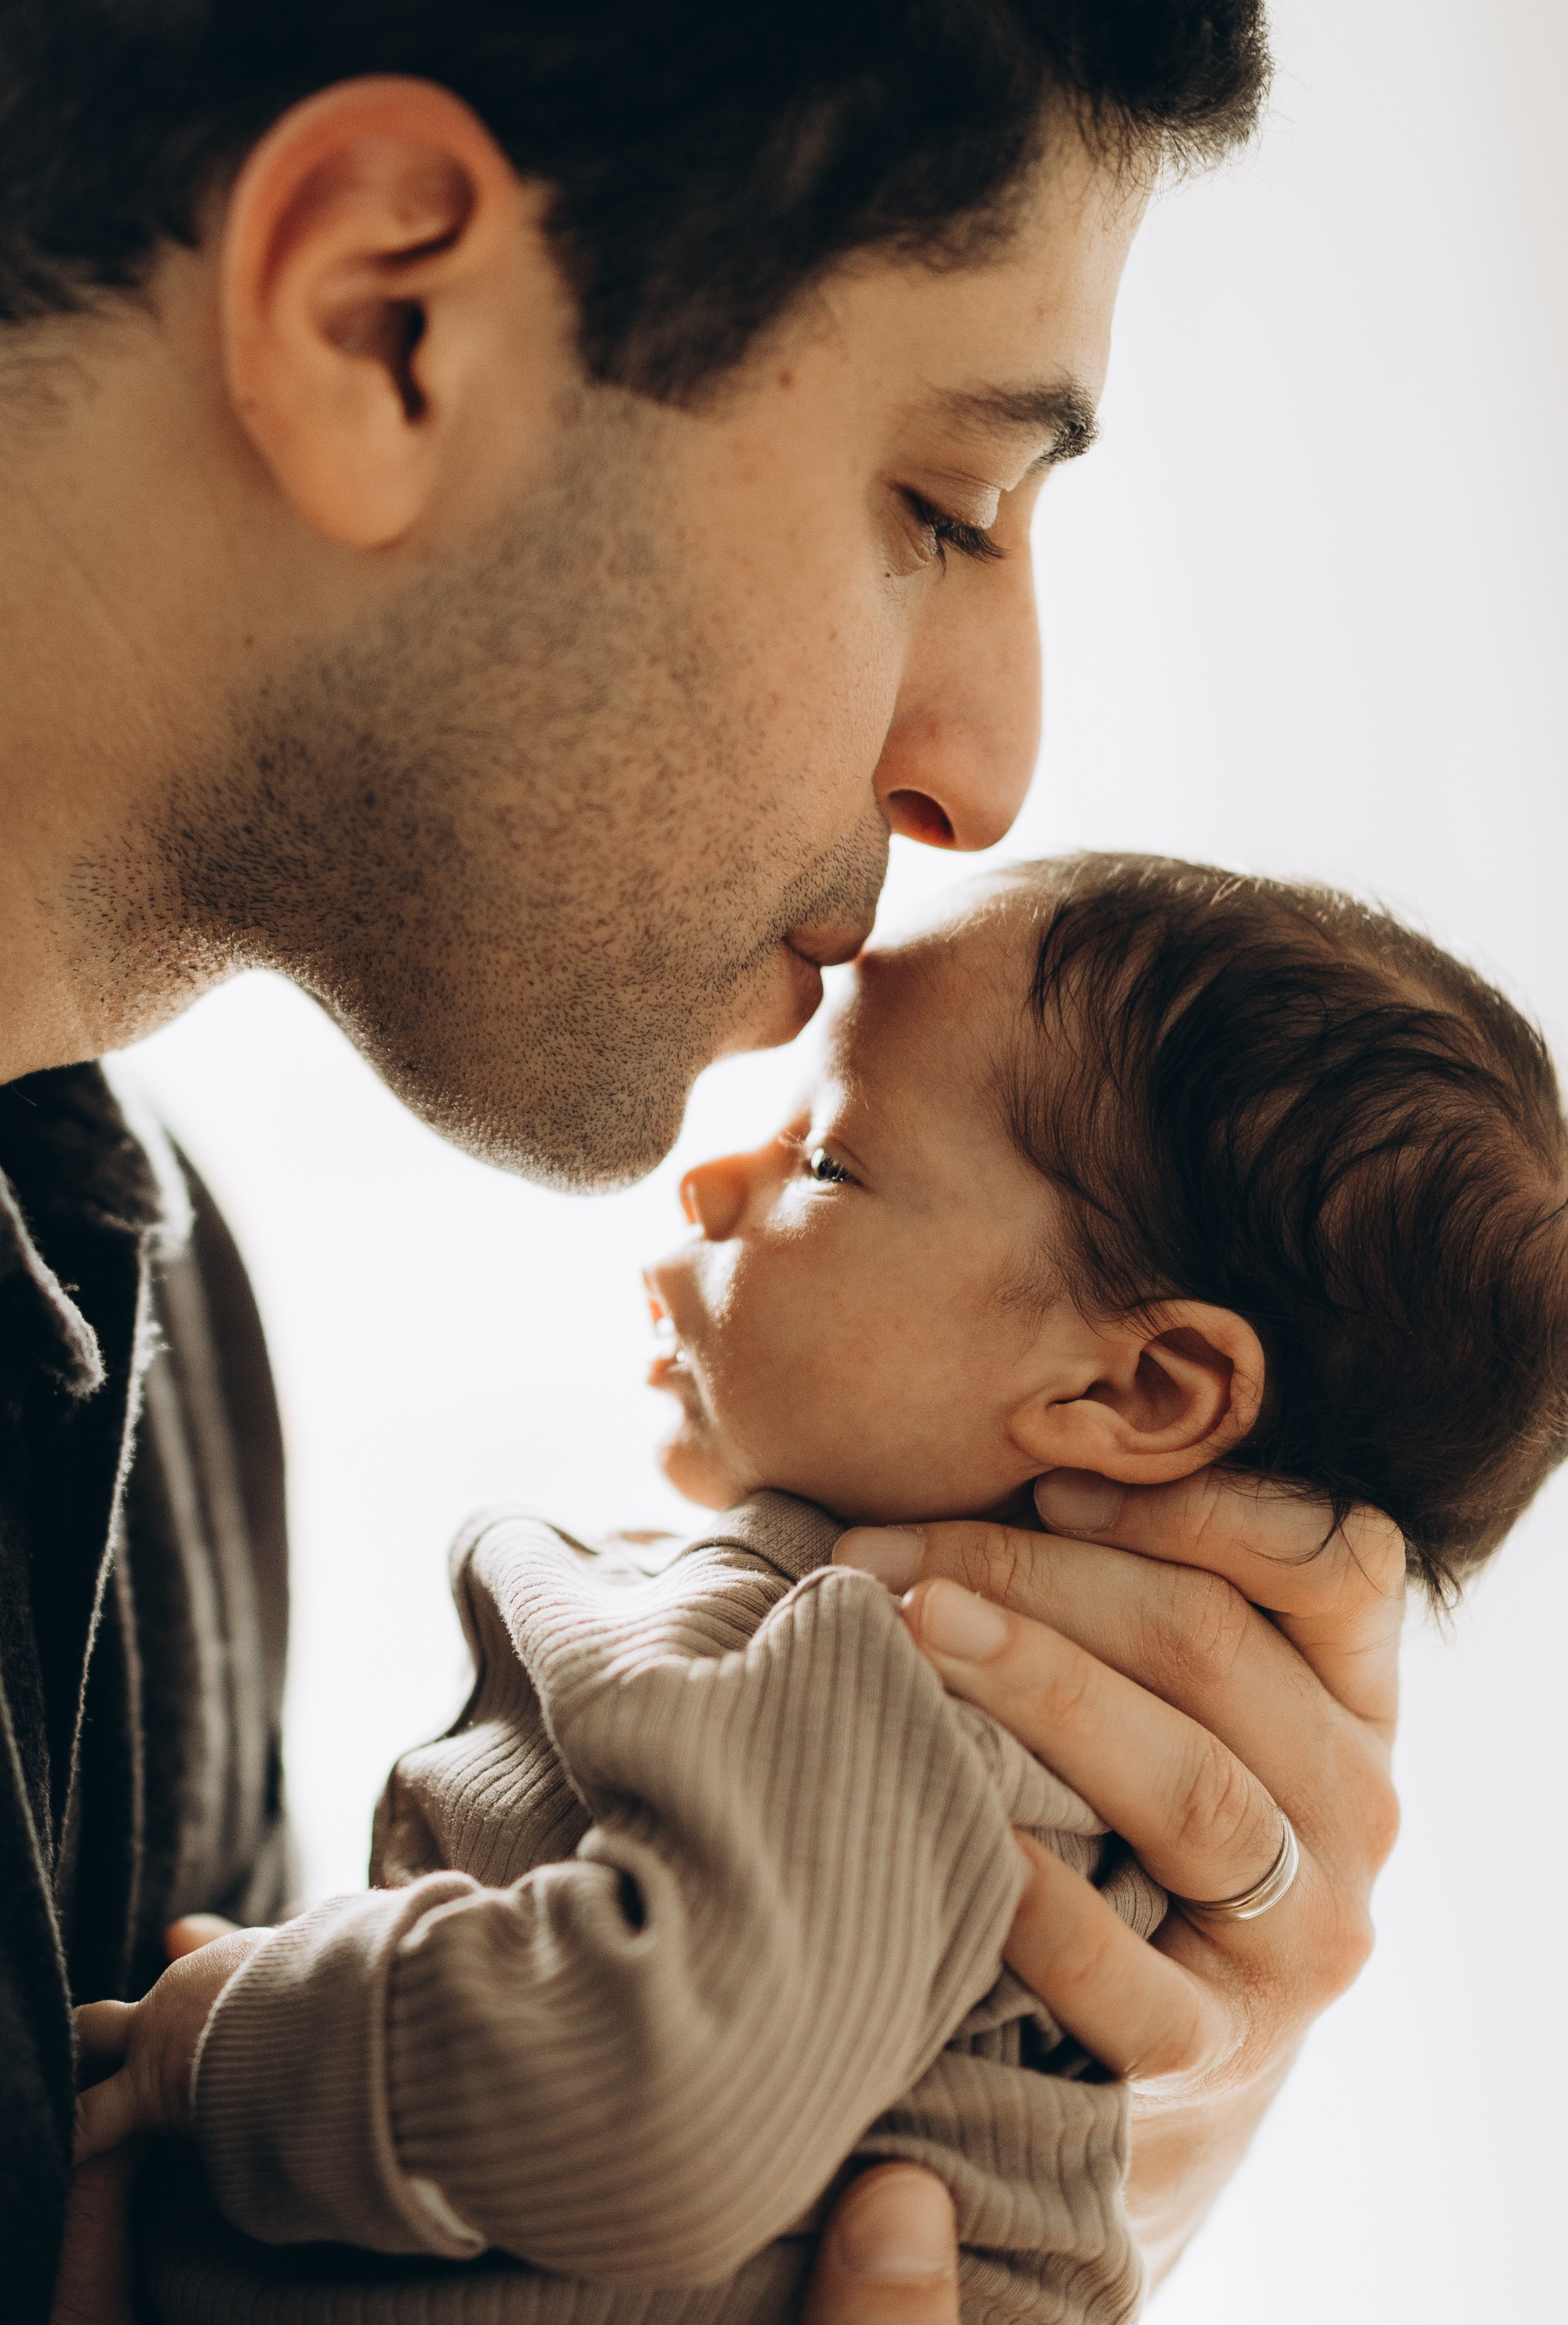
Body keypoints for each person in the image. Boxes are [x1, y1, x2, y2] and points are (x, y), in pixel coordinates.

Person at [0, 0, 1399, 2321]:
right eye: (939, 505)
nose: (987, 770)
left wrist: (976, 2125)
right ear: (383, 324)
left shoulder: (142, 1327)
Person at [79, 855, 1524, 2323]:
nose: (712, 1179)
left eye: (827, 1162)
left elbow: (651, 2096)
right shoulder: (881, 1685)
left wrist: (231, 2037)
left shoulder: (902, 1677)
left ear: (1133, 1389)